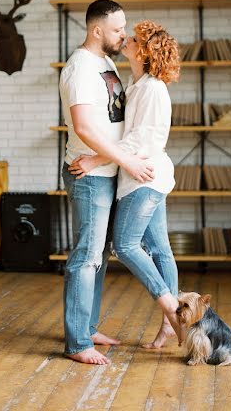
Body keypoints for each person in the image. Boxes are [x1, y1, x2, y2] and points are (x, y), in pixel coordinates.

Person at [69, 20, 182, 349]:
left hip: (144, 179)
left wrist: (94, 160)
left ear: (145, 50)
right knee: (160, 251)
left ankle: (171, 310)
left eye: (133, 38)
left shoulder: (151, 89)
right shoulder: (136, 84)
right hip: (145, 177)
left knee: (126, 245)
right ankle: (169, 326)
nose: (126, 40)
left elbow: (138, 141)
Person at [60, 0, 155, 366]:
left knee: (98, 257)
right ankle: (77, 343)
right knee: (86, 257)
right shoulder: (81, 67)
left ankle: (88, 328)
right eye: (118, 29)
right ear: (97, 30)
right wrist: (125, 158)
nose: (124, 35)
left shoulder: (107, 62)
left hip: (107, 171)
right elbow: (83, 127)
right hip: (90, 177)